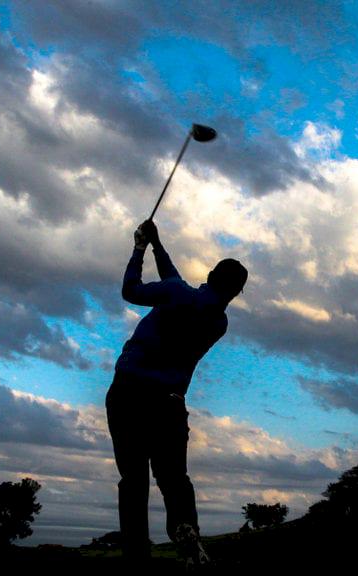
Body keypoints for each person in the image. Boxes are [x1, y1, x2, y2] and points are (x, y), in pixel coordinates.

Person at [106, 219, 248, 567]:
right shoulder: (218, 323)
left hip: (128, 393)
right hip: (169, 403)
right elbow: (178, 284)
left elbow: (131, 290)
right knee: (173, 478)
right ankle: (185, 527)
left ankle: (137, 554)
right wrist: (158, 244)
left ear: (211, 275)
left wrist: (139, 247)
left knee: (134, 480)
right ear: (234, 293)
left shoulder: (175, 294)